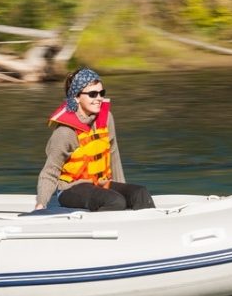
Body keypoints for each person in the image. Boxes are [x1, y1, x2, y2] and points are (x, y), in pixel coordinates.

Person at [35, 68, 155, 212]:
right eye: (93, 94)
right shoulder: (65, 132)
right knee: (115, 201)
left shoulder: (106, 118)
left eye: (101, 93)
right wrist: (41, 205)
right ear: (77, 97)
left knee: (140, 194)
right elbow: (50, 171)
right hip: (70, 189)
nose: (99, 98)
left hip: (100, 183)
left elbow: (113, 154)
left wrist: (122, 189)